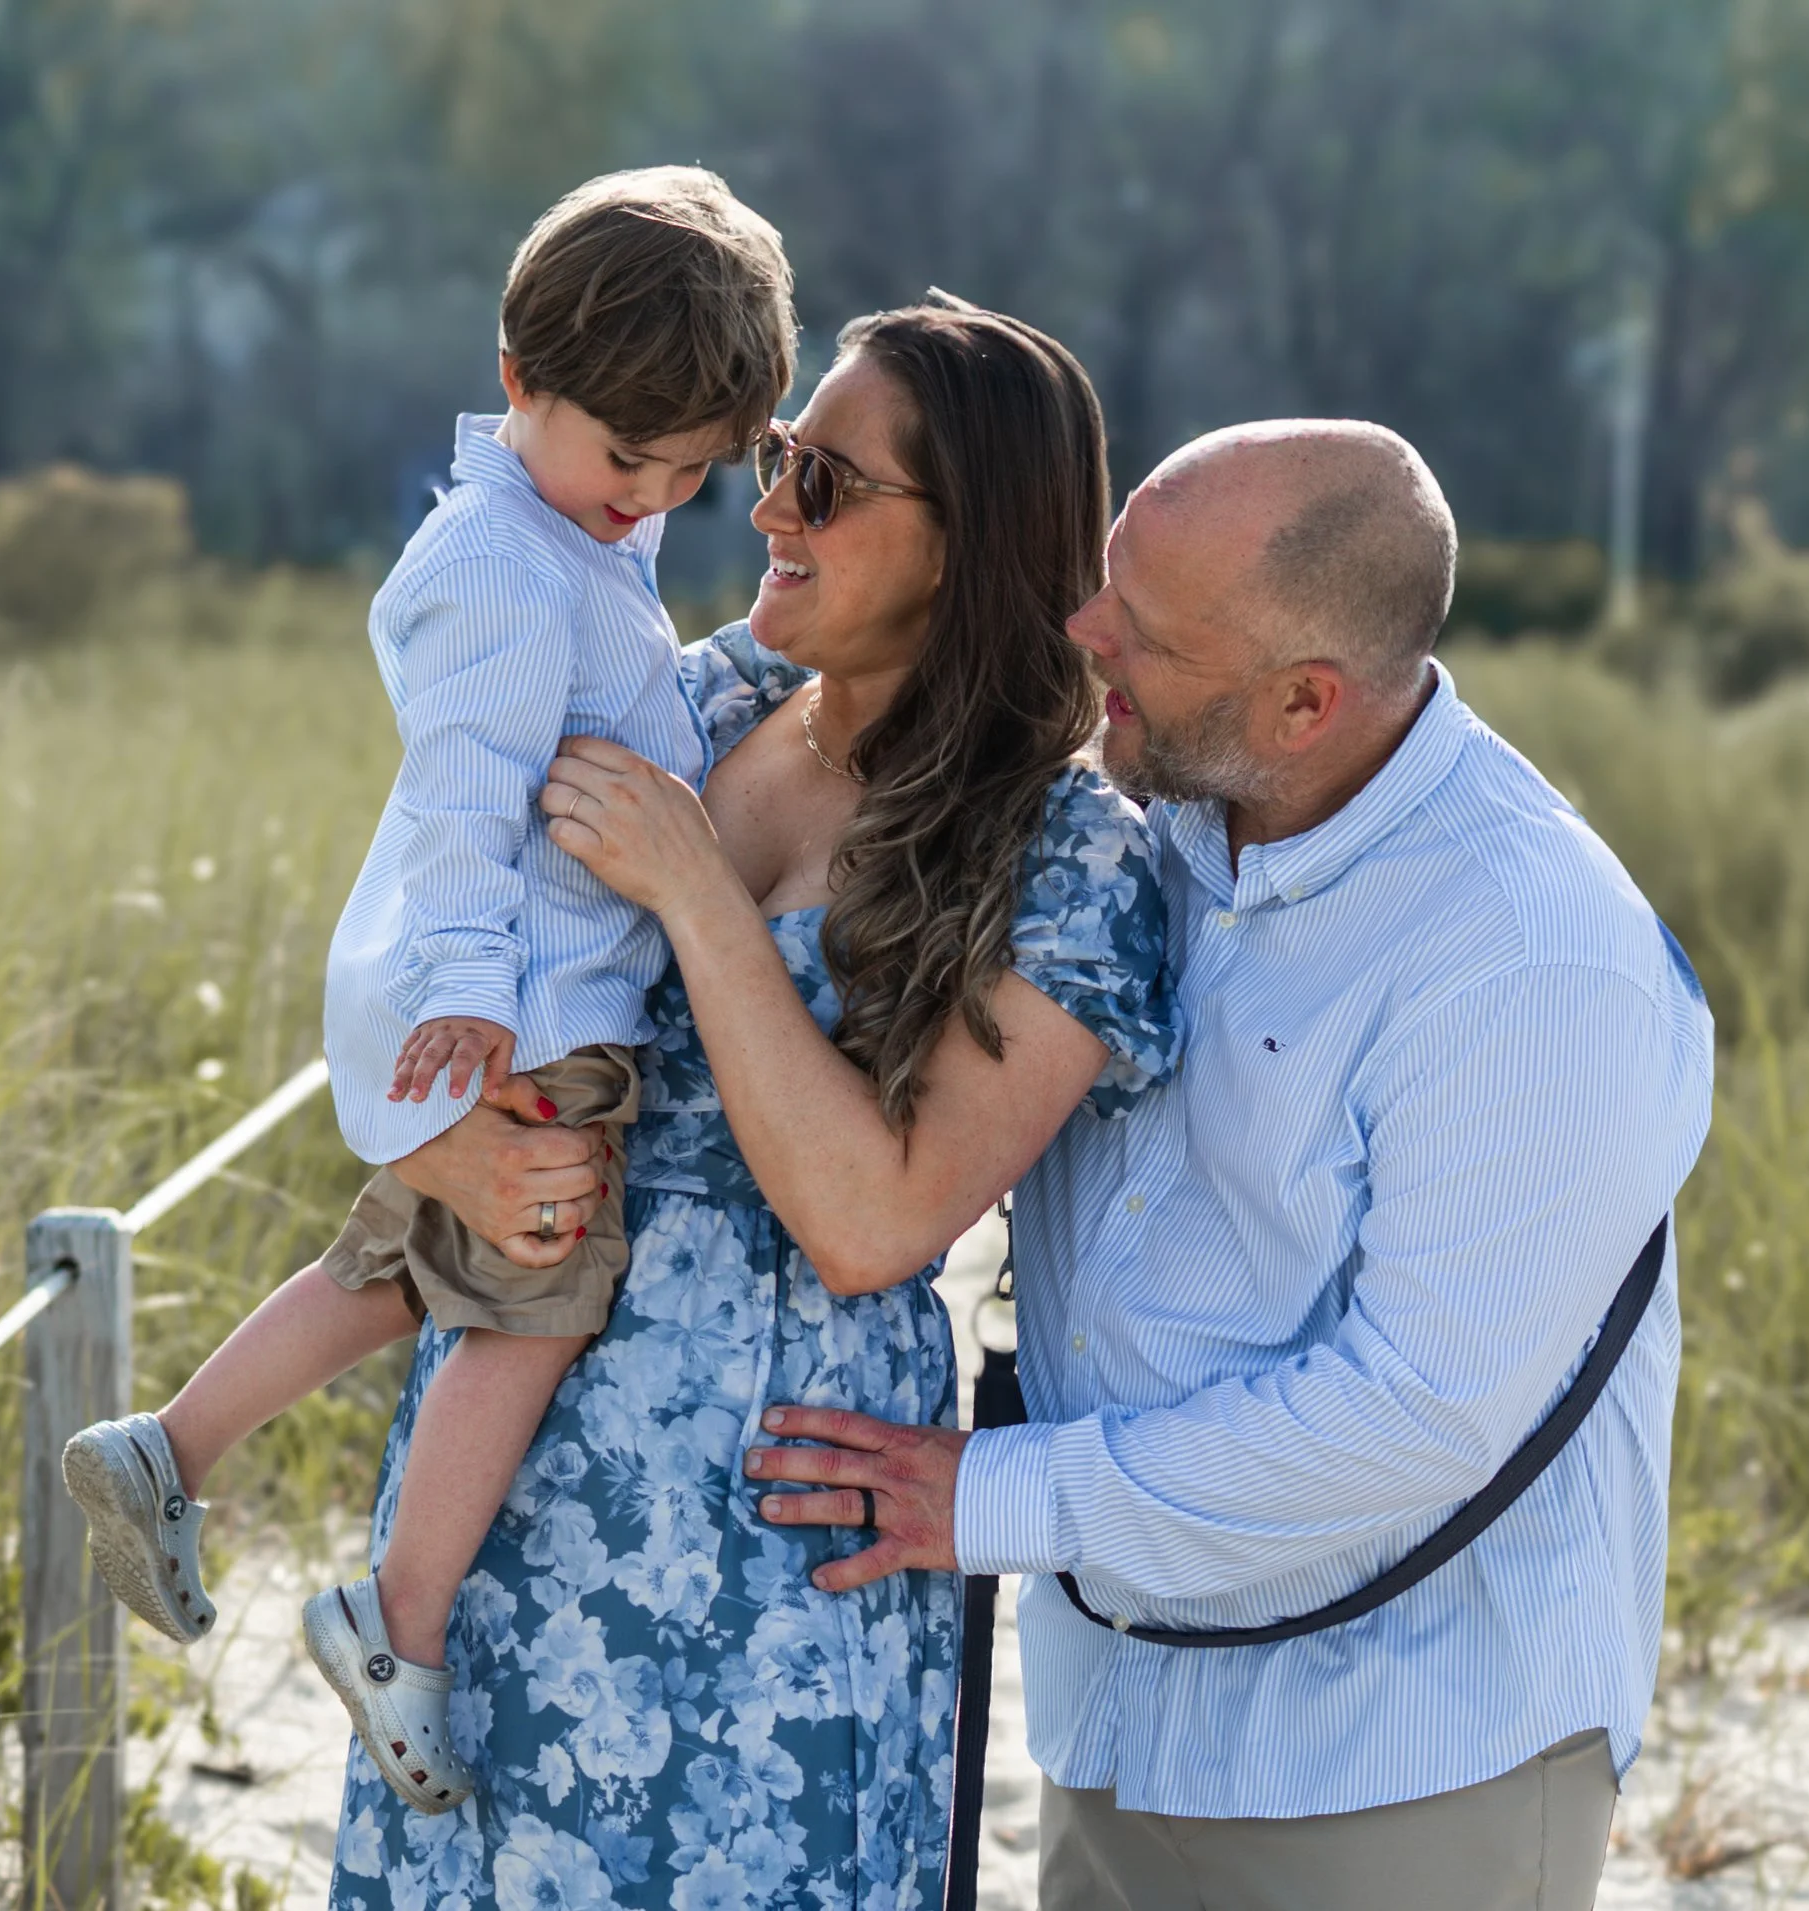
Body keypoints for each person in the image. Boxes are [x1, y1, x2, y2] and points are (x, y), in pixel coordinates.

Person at [741, 420, 1716, 1910]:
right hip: (1122, 1713)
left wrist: (985, 1498)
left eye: (1142, 628)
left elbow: (1414, 1411)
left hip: (1405, 1756)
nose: (1085, 632)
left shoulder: (1532, 959)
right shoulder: (1146, 817)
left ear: (1303, 700)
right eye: (1108, 578)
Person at [327, 294, 1178, 1908]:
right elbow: (430, 949)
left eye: (828, 483)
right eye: (782, 455)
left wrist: (703, 902)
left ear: (970, 541)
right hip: (507, 1456)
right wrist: (449, 1144)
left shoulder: (1067, 854)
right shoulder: (682, 699)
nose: (766, 505)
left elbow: (875, 1220)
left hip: (773, 1514)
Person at [59, 166, 796, 1815]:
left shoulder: (555, 527)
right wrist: (465, 1002)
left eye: (692, 469)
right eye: (632, 457)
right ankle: (398, 1623)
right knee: (528, 1311)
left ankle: (171, 1446)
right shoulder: (513, 572)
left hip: (514, 993)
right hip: (528, 1009)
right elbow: (463, 790)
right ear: (520, 382)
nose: (653, 496)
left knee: (403, 1261)